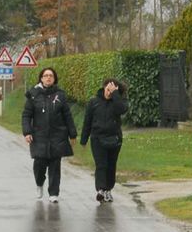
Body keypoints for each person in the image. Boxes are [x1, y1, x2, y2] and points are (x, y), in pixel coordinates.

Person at [22, 67, 77, 203]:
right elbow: (26, 115)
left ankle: (53, 193)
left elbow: (67, 115)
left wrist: (72, 133)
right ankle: (39, 183)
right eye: (45, 75)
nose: (48, 78)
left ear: (54, 79)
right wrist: (27, 132)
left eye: (51, 76)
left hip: (57, 135)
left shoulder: (60, 95)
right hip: (39, 135)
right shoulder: (33, 94)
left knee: (54, 164)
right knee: (39, 164)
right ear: (41, 78)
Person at [80, 78, 128, 203]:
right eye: (107, 90)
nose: (108, 93)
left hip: (114, 138)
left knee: (111, 165)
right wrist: (84, 140)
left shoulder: (118, 101)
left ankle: (108, 190)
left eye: (111, 91)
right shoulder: (93, 102)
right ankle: (100, 189)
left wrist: (116, 95)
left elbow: (122, 110)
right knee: (101, 164)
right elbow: (87, 121)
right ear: (103, 88)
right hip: (97, 138)